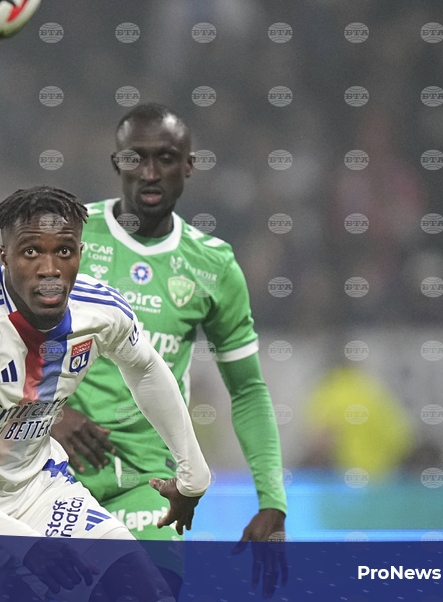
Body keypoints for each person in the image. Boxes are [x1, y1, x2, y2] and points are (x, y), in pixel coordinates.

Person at [0, 186, 210, 601]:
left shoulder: (100, 310)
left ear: (80, 253)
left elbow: (145, 369)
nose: (49, 269)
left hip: (39, 493)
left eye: (64, 251)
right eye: (31, 252)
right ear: (4, 256)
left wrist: (194, 475)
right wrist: (24, 544)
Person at [50, 103, 288, 597]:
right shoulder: (68, 237)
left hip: (150, 484)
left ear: (189, 165)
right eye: (136, 158)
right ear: (116, 163)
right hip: (51, 475)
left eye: (166, 158)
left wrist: (272, 500)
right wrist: (48, 412)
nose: (151, 172)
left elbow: (247, 390)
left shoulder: (212, 266)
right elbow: (0, 345)